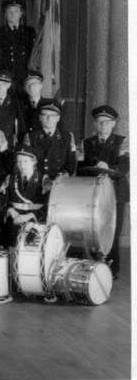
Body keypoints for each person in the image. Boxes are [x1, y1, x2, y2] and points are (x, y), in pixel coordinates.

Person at [79, 105, 129, 278]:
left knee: (112, 230)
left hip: (115, 193)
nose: (103, 125)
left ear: (114, 124)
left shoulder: (123, 141)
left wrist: (108, 167)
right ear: (95, 124)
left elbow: (125, 165)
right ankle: (95, 265)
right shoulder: (87, 143)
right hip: (93, 194)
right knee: (93, 228)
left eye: (107, 122)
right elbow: (80, 167)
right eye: (99, 122)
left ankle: (111, 268)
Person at [0, 145, 49, 248]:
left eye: (26, 161)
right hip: (14, 218)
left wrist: (29, 216)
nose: (22, 165)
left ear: (33, 162)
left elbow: (49, 204)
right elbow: (2, 200)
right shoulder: (10, 178)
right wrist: (12, 213)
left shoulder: (44, 179)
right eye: (19, 162)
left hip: (36, 219)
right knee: (10, 245)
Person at [23, 99, 77, 180]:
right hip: (37, 182)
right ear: (40, 117)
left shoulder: (67, 137)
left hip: (59, 182)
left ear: (58, 118)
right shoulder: (31, 137)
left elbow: (71, 162)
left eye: (53, 115)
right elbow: (26, 163)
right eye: (45, 115)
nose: (49, 118)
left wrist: (64, 175)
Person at [0, 0, 36, 87]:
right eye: (9, 11)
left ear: (21, 13)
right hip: (5, 77)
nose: (13, 14)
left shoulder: (30, 32)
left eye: (16, 11)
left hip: (24, 76)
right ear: (5, 14)